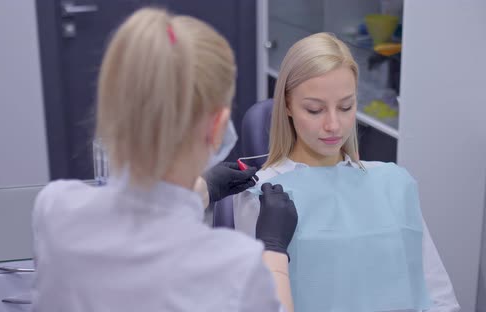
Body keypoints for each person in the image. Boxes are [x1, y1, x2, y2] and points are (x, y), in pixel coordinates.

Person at [32, 8, 297, 312]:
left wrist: (202, 189)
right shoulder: (237, 268)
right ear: (217, 126)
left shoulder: (54, 209)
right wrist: (274, 251)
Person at [233, 33, 460, 312]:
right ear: (288, 105)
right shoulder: (263, 196)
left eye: (345, 107)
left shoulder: (393, 184)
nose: (334, 125)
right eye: (315, 110)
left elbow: (438, 295)